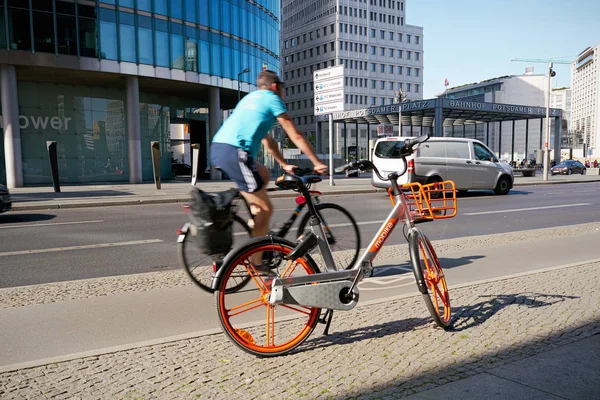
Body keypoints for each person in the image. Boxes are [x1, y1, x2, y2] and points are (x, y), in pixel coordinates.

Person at [210, 70, 327, 269]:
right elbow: (295, 134)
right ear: (274, 86)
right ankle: (258, 263)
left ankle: (255, 223)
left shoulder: (250, 98)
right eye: (282, 87)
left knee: (262, 174)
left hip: (221, 148)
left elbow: (268, 141)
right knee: (267, 208)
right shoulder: (272, 99)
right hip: (236, 153)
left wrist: (283, 164)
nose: (283, 91)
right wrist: (316, 162)